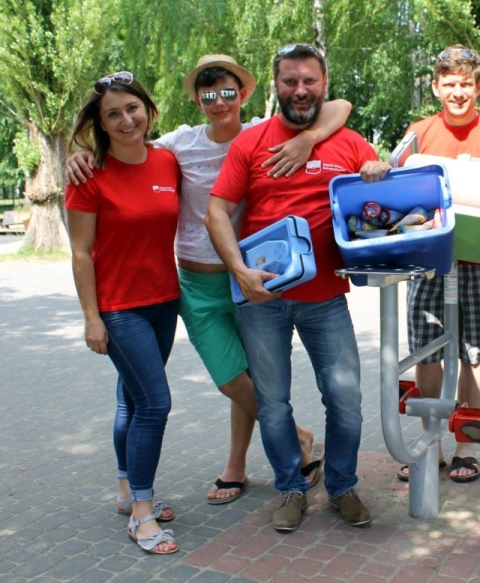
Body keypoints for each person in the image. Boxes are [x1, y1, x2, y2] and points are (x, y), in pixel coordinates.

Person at [66, 54, 352, 505]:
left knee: (252, 377)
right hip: (197, 284)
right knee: (230, 379)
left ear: (244, 93)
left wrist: (309, 137)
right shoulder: (179, 145)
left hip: (251, 277)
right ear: (197, 100)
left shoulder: (262, 134)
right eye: (208, 94)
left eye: (228, 92)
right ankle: (297, 437)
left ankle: (235, 466)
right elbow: (128, 147)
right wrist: (80, 154)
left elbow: (339, 107)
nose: (219, 102)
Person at [206, 43, 391, 533]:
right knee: (273, 404)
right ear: (277, 86)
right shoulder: (251, 143)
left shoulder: (349, 143)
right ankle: (291, 488)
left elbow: (378, 208)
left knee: (345, 400)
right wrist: (239, 271)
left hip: (326, 298)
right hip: (262, 299)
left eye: (309, 81)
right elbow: (216, 211)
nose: (300, 90)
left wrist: (377, 172)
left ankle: (343, 486)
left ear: (323, 84)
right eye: (290, 81)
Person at [66, 71, 182, 555]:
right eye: (112, 114)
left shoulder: (167, 160)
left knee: (132, 402)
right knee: (155, 404)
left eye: (132, 108)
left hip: (165, 301)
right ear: (101, 123)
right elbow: (80, 253)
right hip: (119, 309)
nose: (125, 119)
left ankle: (125, 488)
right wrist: (91, 317)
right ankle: (141, 512)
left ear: (148, 111)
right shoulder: (88, 175)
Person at [398, 45, 480, 483]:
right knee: (428, 354)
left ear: (478, 87)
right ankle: (431, 445)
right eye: (449, 84)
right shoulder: (419, 133)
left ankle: (467, 447)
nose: (458, 92)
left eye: (465, 84)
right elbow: (402, 193)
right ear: (435, 87)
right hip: (430, 263)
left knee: (472, 355)